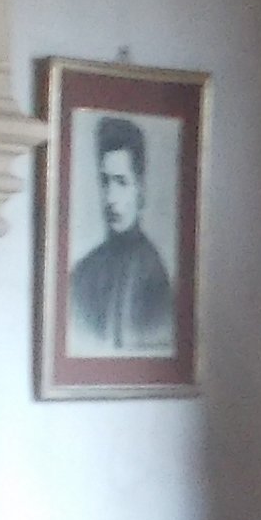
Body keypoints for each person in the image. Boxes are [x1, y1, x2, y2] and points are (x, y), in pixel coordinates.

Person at [68, 112, 177, 352]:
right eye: (105, 181)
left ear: (140, 189)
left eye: (121, 182)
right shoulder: (83, 272)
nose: (110, 198)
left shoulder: (153, 275)